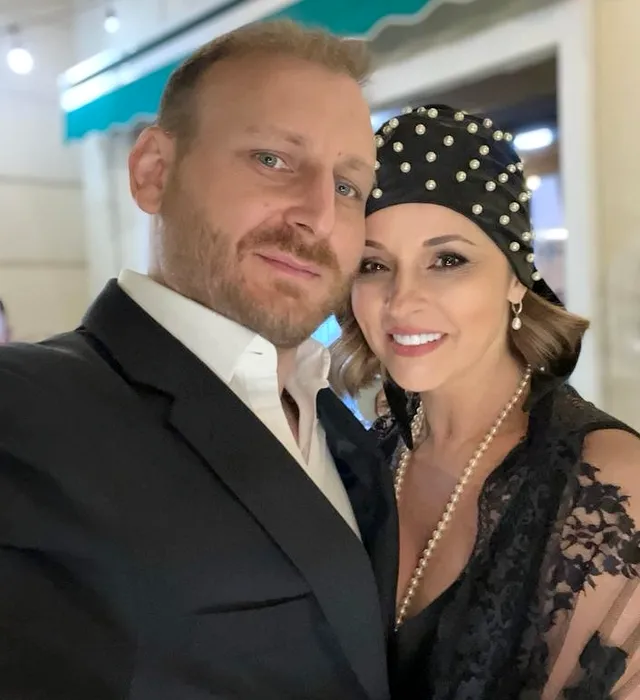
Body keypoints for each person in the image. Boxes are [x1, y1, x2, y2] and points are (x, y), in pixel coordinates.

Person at [0, 21, 397, 700]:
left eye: (347, 188)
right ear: (154, 171)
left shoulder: (346, 429)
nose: (319, 215)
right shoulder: (24, 411)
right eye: (272, 159)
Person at [331, 105, 640, 699]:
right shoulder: (366, 456)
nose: (402, 300)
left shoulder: (605, 485)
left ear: (516, 276)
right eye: (374, 265)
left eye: (447, 260)